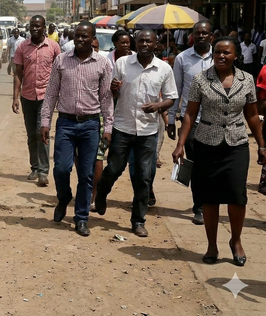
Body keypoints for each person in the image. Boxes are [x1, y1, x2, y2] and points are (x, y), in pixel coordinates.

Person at [172, 36, 266, 266]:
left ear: (236, 56)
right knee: (210, 198)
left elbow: (252, 115)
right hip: (206, 143)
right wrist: (180, 143)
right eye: (217, 53)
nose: (221, 56)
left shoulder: (246, 79)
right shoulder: (201, 79)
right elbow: (190, 114)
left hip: (236, 144)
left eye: (226, 53)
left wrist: (262, 144)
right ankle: (212, 245)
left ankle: (235, 241)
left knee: (237, 196)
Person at [94, 30, 178, 237]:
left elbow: (171, 98)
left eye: (148, 41)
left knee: (143, 177)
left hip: (148, 131)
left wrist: (158, 105)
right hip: (123, 127)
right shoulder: (122, 64)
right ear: (135, 42)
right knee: (114, 168)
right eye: (140, 40)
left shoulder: (164, 69)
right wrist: (114, 88)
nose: (144, 44)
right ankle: (102, 194)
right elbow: (110, 93)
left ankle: (138, 220)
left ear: (155, 44)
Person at [40, 22, 113, 236]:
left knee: (87, 174)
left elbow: (106, 99)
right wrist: (45, 122)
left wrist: (108, 127)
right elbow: (51, 93)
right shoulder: (61, 60)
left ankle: (81, 218)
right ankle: (63, 198)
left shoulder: (102, 64)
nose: (81, 40)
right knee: (61, 169)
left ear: (93, 38)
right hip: (66, 123)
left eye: (85, 37)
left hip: (91, 124)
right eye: (77, 36)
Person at [166, 20, 214, 225]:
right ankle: (199, 207)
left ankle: (212, 201)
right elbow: (175, 90)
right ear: (192, 36)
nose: (201, 36)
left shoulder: (220, 56)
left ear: (211, 35)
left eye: (205, 33)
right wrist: (170, 118)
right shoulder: (182, 58)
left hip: (216, 121)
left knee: (213, 166)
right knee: (197, 165)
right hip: (191, 121)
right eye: (198, 33)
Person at [13, 15, 61, 187]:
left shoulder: (54, 47)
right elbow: (18, 73)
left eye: (38, 26)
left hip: (46, 97)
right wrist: (15, 97)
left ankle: (43, 172)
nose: (34, 29)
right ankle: (34, 167)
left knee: (43, 132)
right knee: (31, 135)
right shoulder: (22, 47)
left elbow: (60, 71)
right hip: (27, 96)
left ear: (44, 27)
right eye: (32, 26)